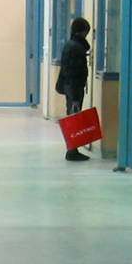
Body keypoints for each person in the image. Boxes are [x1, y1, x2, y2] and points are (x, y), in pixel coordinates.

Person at [57, 16, 92, 161]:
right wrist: (76, 97)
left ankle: (73, 148)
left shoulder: (70, 45)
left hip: (70, 86)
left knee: (73, 116)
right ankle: (72, 150)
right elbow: (74, 72)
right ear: (82, 32)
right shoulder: (76, 48)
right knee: (74, 117)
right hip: (74, 88)